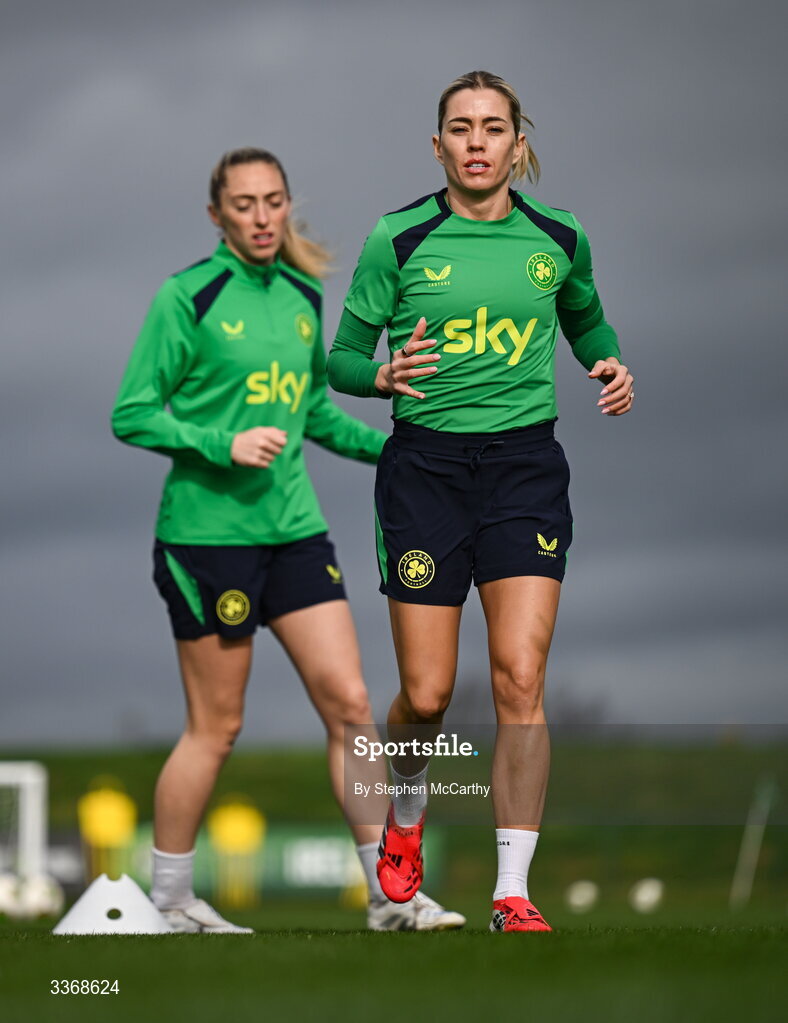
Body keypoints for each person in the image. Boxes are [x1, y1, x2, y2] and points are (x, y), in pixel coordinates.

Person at [111, 147, 465, 933]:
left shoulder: (305, 294)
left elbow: (314, 415)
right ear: (217, 216)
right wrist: (220, 442)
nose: (263, 217)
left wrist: (400, 448)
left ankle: (390, 895)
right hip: (207, 539)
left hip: (295, 532)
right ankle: (169, 901)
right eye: (244, 204)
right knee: (218, 727)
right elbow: (132, 411)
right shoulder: (188, 297)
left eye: (274, 201)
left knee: (351, 705)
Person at [327, 71, 634, 932]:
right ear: (438, 147)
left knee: (521, 676)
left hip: (525, 468)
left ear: (517, 144)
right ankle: (408, 814)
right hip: (425, 470)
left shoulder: (559, 236)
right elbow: (342, 358)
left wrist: (606, 363)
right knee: (425, 695)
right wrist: (380, 373)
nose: (475, 141)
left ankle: (512, 893)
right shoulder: (399, 236)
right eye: (459, 127)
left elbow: (588, 322)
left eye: (493, 127)